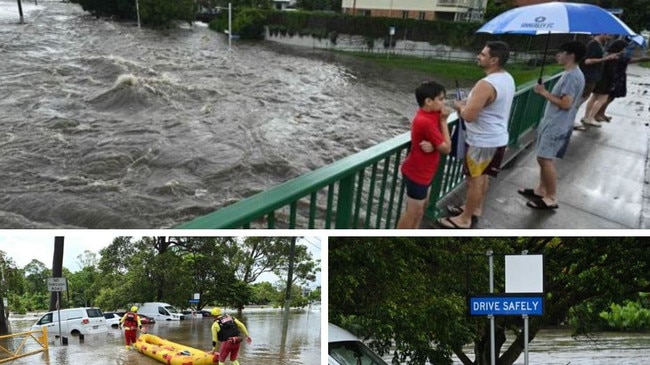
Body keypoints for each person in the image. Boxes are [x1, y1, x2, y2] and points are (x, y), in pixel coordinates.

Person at [437, 41, 515, 229]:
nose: (478, 57)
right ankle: (475, 209)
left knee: (474, 180)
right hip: (497, 138)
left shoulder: (485, 84)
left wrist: (459, 107)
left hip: (482, 141)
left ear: (494, 60)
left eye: (482, 54)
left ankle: (464, 219)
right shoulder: (507, 78)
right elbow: (486, 102)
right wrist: (469, 101)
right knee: (484, 176)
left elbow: (469, 116)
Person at [518, 41, 586, 210]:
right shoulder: (571, 73)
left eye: (561, 52)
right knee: (543, 158)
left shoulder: (572, 76)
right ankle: (541, 190)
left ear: (571, 55)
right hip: (553, 122)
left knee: (544, 159)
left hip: (557, 124)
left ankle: (551, 197)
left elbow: (566, 104)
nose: (557, 55)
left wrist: (543, 92)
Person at [396, 81, 452, 229]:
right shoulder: (425, 121)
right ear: (428, 101)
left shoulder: (433, 113)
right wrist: (444, 122)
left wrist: (434, 145)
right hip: (417, 174)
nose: (444, 102)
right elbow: (446, 148)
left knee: (420, 210)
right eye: (440, 99)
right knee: (412, 212)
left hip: (426, 172)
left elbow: (438, 140)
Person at [594, 39, 650, 122]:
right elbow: (631, 60)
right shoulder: (615, 57)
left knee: (610, 98)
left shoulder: (618, 56)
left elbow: (632, 60)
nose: (625, 50)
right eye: (624, 48)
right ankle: (597, 114)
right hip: (614, 79)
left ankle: (601, 113)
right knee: (607, 98)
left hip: (617, 78)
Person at [574, 34, 616, 130]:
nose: (609, 38)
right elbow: (587, 61)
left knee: (585, 97)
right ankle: (571, 118)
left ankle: (581, 117)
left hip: (593, 77)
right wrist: (605, 59)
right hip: (588, 76)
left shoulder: (600, 45)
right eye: (608, 35)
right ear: (602, 33)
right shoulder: (593, 45)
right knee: (580, 99)